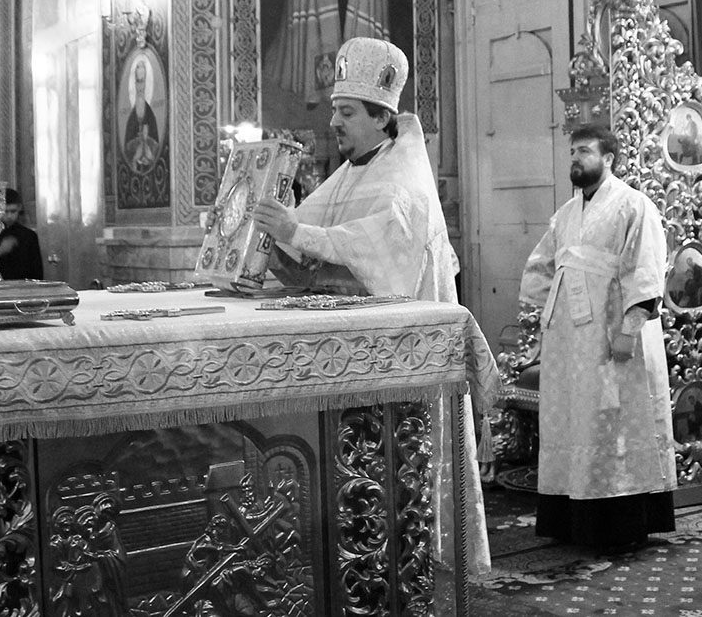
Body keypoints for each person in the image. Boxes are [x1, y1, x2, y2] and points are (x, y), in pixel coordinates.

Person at [252, 36, 493, 575]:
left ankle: (410, 563)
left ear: (382, 117)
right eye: (334, 110)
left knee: (396, 478)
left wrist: (296, 232)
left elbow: (379, 255)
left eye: (346, 112)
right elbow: (306, 253)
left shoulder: (403, 179)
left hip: (400, 365)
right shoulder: (349, 174)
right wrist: (265, 234)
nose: (333, 122)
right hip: (349, 356)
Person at [518, 122, 676, 551]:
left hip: (611, 333)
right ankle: (573, 519)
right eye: (573, 151)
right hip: (568, 339)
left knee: (613, 420)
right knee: (574, 420)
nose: (575, 158)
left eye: (584, 151)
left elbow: (645, 269)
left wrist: (629, 329)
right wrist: (542, 317)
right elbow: (541, 267)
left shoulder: (634, 205)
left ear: (608, 158)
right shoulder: (566, 214)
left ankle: (619, 523)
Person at [0, 188, 43, 281]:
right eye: (5, 211)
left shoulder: (29, 236)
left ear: (19, 208)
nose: (9, 216)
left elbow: (37, 272)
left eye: (13, 211)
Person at [123, 59, 160, 171]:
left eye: (142, 83)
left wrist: (146, 140)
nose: (140, 89)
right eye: (138, 83)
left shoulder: (151, 116)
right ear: (134, 85)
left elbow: (156, 146)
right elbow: (127, 149)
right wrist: (139, 144)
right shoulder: (131, 119)